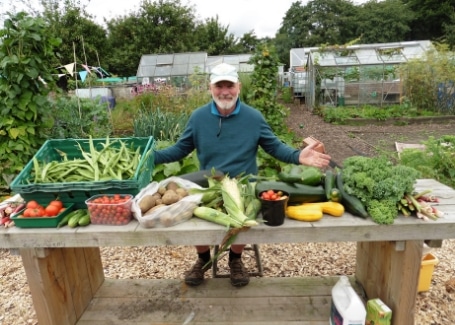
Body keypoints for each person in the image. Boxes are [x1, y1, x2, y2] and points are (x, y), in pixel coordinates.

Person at [154, 63, 331, 287]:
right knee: (191, 209)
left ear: (238, 87)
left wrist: (298, 156)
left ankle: (235, 259)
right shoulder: (198, 118)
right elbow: (180, 149)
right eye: (219, 86)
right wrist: (152, 157)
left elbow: (274, 147)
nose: (225, 91)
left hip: (244, 181)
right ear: (211, 88)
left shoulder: (253, 118)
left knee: (246, 215)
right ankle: (203, 259)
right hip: (210, 182)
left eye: (229, 85)